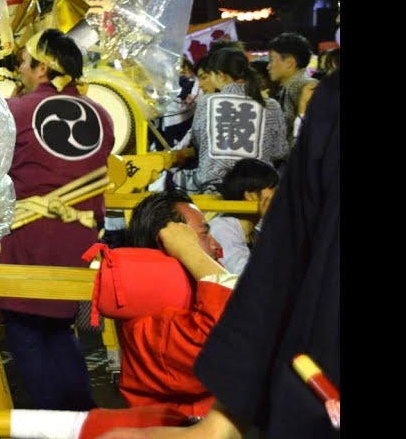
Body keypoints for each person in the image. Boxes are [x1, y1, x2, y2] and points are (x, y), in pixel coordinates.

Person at [97, 69, 339, 439]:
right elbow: (224, 318)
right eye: (203, 234)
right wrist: (194, 255)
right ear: (168, 247)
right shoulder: (153, 325)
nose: (216, 247)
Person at [0, 28, 115, 411]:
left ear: (42, 67)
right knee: (58, 327)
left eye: (23, 62)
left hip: (30, 236)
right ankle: (83, 416)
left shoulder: (17, 112)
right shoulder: (102, 115)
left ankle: (56, 425)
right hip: (80, 240)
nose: (20, 70)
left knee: (26, 330)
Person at [115, 189, 233, 416]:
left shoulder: (184, 299)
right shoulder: (148, 323)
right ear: (169, 242)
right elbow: (235, 334)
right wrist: (190, 251)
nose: (217, 245)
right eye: (204, 234)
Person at [169, 48, 287, 193]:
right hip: (259, 188)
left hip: (214, 188)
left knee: (174, 180)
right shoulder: (271, 105)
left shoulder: (207, 102)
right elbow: (280, 151)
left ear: (221, 75)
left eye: (210, 75)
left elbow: (199, 143)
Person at [208, 158, 279, 274]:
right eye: (274, 189)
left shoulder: (254, 234)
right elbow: (246, 275)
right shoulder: (222, 230)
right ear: (250, 196)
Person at [265, 32, 316, 147]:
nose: (268, 66)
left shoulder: (301, 86)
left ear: (289, 63)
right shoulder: (294, 85)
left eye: (271, 60)